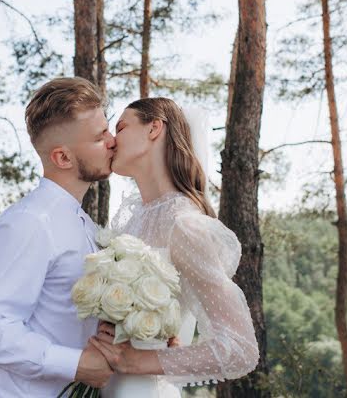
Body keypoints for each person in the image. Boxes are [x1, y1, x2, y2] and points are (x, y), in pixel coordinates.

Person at [88, 97, 259, 397]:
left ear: (154, 128)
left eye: (121, 127)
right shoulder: (132, 221)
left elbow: (240, 348)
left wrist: (141, 360)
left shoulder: (184, 224)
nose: (112, 141)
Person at [0, 77, 116, 397]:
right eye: (99, 136)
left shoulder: (86, 225)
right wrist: (76, 364)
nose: (113, 141)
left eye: (109, 129)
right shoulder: (29, 223)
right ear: (62, 158)